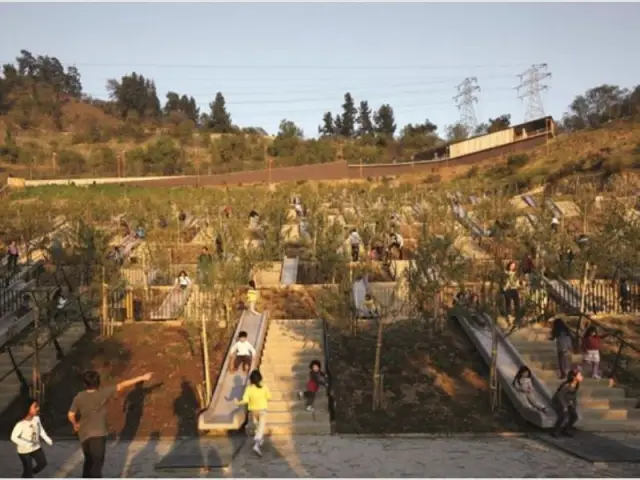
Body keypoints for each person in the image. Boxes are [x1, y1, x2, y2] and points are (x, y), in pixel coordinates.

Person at [68, 370, 153, 478]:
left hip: (83, 434)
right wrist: (142, 377)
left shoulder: (79, 396)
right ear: (98, 382)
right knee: (96, 465)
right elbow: (122, 384)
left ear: (85, 384)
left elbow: (71, 414)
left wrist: (75, 423)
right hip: (98, 434)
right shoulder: (103, 392)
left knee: (88, 462)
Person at [11, 399, 53, 478]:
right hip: (24, 451)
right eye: (35, 407)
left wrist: (47, 438)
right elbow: (13, 437)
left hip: (36, 447)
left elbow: (40, 430)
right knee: (28, 471)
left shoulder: (36, 419)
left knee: (42, 463)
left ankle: (29, 474)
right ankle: (28, 474)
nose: (38, 408)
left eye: (38, 406)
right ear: (28, 409)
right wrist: (26, 444)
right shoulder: (20, 424)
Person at [235, 370, 271, 457]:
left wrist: (237, 402)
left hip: (253, 411)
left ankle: (259, 440)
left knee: (258, 426)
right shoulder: (264, 387)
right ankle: (257, 444)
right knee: (261, 428)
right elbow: (269, 397)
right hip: (262, 410)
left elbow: (245, 400)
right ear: (260, 378)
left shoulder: (249, 388)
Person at [551, 368, 583, 437]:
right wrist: (564, 406)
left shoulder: (576, 385)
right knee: (563, 415)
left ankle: (566, 429)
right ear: (574, 377)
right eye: (579, 375)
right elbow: (560, 395)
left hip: (567, 402)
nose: (581, 377)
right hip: (559, 402)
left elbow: (574, 396)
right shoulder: (567, 385)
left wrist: (574, 404)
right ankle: (556, 430)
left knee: (574, 416)